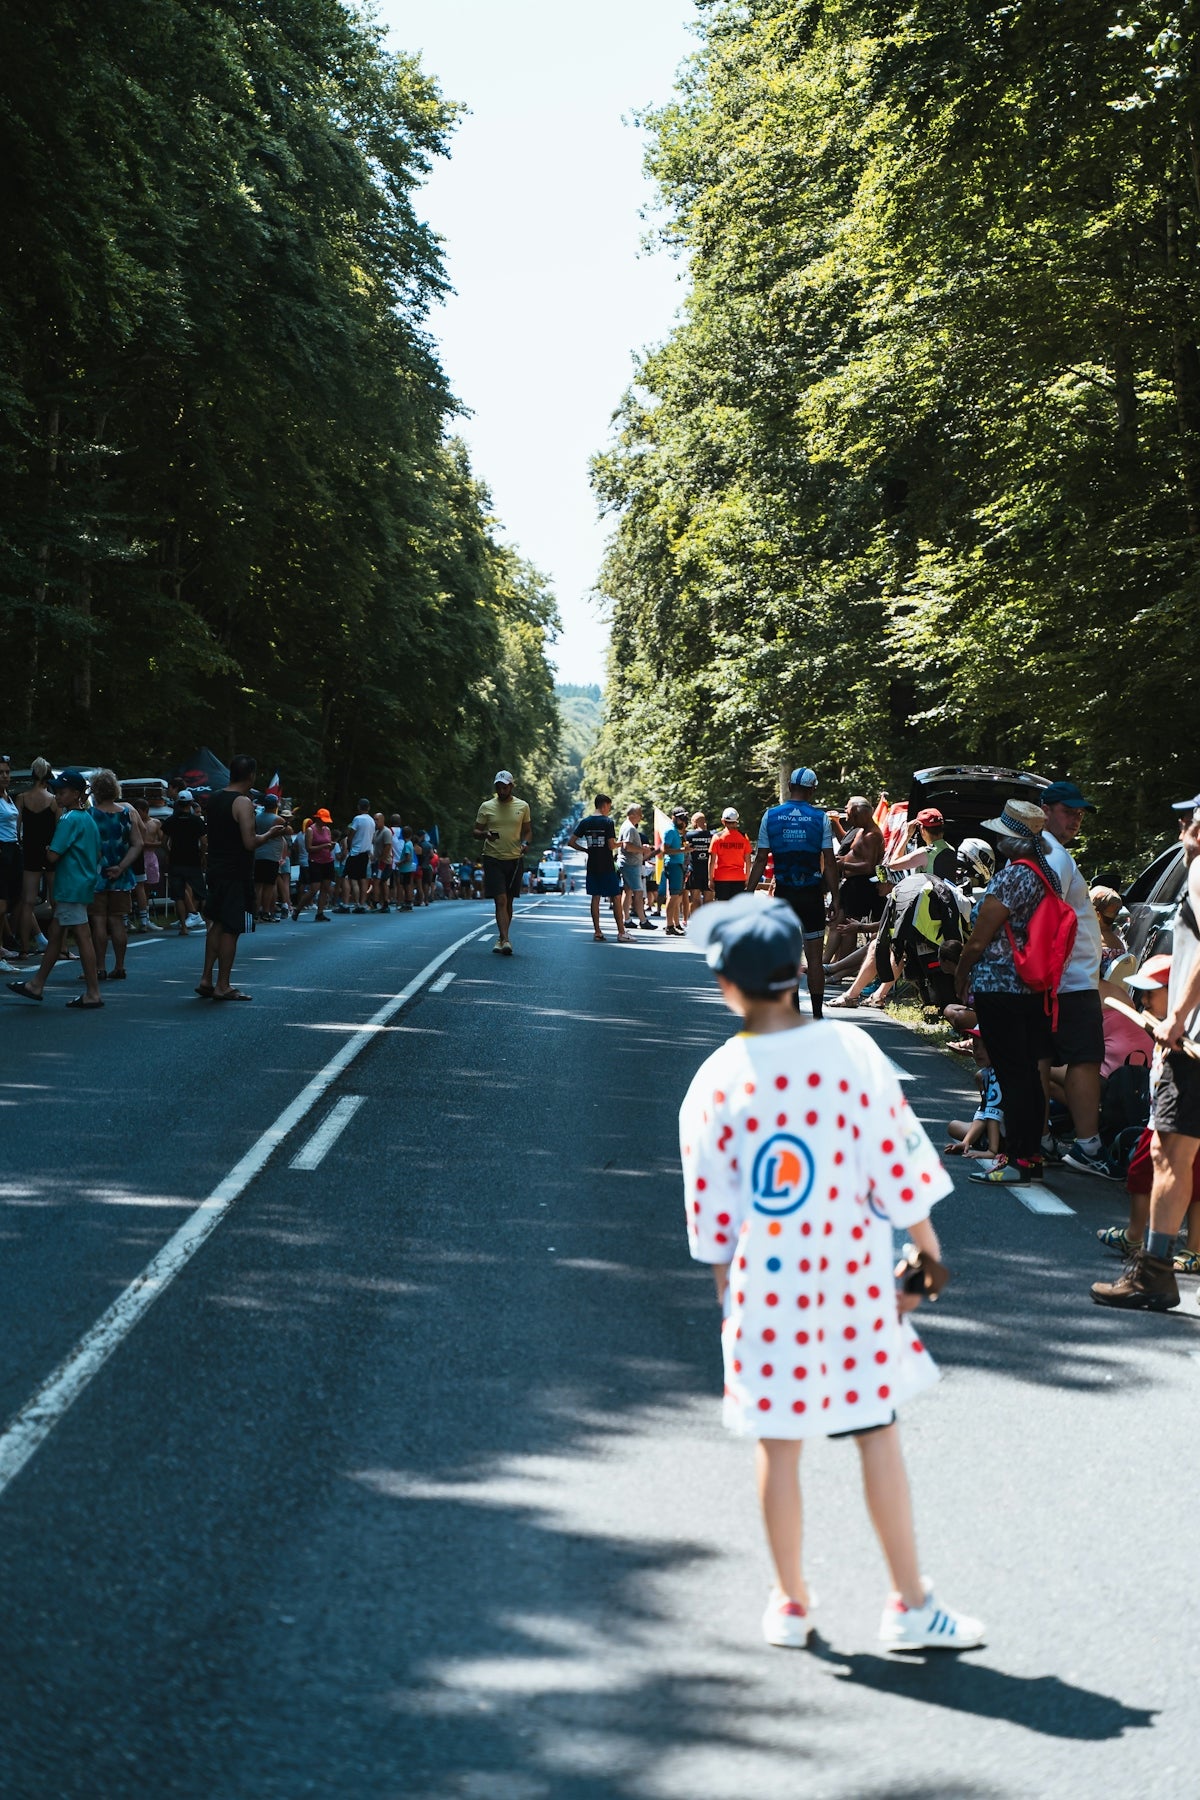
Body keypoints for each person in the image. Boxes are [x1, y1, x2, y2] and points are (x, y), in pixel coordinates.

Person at [679, 894, 983, 1652]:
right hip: (854, 1288)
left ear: (727, 986)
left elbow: (713, 1220)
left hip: (763, 1294)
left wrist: (728, 1298)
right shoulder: (851, 1053)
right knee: (876, 1433)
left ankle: (788, 1600)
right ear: (797, 974)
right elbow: (901, 1167)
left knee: (776, 1444)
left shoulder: (713, 1080)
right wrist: (929, 1257)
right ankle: (909, 1604)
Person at [1093, 796, 1200, 1311]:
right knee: (1168, 1151)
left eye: (1190, 819)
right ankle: (1155, 1266)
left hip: (1192, 1040)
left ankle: (1153, 1272)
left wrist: (1176, 1018)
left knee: (1170, 1151)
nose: (1182, 826)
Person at [954, 800, 1063, 1185]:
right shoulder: (1045, 873)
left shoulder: (1013, 876)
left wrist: (962, 974)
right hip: (1032, 985)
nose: (996, 836)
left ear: (1012, 839)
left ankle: (1015, 1159)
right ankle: (1030, 1156)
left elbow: (980, 937)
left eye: (1001, 831)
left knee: (1012, 1072)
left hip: (998, 984)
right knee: (1029, 1073)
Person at [1033, 780, 1108, 1176]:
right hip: (1070, 981)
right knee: (1084, 1060)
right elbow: (1050, 919)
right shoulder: (1056, 857)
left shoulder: (1041, 852)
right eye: (1068, 811)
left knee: (1042, 1056)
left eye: (1080, 813)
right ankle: (1087, 1147)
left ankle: (1040, 1137)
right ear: (1045, 808)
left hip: (1052, 981)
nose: (1076, 819)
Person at [746, 769, 841, 1021]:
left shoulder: (771, 815)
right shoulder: (820, 818)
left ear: (789, 786)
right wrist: (836, 899)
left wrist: (748, 891)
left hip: (784, 895)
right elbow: (830, 863)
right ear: (812, 790)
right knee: (814, 958)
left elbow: (760, 860)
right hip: (811, 895)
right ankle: (818, 1016)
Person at [7, 769, 104, 1008]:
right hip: (81, 882)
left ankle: (93, 992)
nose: (57, 795)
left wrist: (48, 848)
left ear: (76, 794)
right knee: (56, 934)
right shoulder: (88, 818)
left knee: (82, 936)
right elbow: (98, 852)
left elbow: (52, 856)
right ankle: (36, 984)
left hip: (70, 885)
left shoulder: (68, 819)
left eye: (61, 792)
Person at [196, 753, 287, 1001]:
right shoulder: (243, 802)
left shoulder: (214, 799)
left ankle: (206, 977)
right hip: (236, 871)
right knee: (232, 928)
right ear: (251, 775)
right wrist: (270, 834)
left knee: (215, 922)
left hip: (215, 869)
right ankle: (223, 984)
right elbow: (249, 842)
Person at [87, 769, 143, 982]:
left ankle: (99, 967)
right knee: (118, 922)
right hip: (121, 876)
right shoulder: (127, 813)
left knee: (99, 922)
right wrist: (121, 866)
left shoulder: (91, 815)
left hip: (97, 876)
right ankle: (120, 966)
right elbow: (138, 844)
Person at [473, 770, 531, 955]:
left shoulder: (522, 806)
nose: (501, 789)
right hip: (493, 857)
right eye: (498, 786)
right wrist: (484, 834)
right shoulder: (486, 806)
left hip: (514, 858)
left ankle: (501, 937)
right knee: (500, 899)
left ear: (511, 786)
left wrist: (526, 843)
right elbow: (476, 831)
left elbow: (528, 831)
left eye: (505, 786)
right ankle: (505, 939)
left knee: (509, 901)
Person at [825, 796, 885, 964]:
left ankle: (839, 966)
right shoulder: (860, 830)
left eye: (850, 815)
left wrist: (843, 865)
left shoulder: (872, 835)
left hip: (861, 886)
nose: (848, 818)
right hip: (850, 884)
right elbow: (847, 845)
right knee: (837, 921)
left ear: (861, 815)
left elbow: (869, 866)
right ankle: (827, 962)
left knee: (849, 925)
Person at [569, 794, 629, 942]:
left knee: (595, 897)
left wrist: (586, 850)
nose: (609, 809)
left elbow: (571, 842)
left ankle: (597, 931)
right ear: (604, 805)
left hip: (592, 865)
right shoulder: (608, 822)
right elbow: (611, 845)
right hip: (607, 865)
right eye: (609, 806)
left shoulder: (585, 822)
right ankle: (621, 932)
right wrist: (622, 843)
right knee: (615, 896)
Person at [15, 756, 56, 959]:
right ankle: (61, 947)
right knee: (56, 902)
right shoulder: (54, 801)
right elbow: (59, 829)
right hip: (50, 853)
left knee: (28, 901)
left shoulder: (22, 798)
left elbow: (16, 829)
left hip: (30, 852)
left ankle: (24, 948)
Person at [162, 791, 207, 935]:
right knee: (201, 893)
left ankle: (183, 927)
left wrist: (169, 852)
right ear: (190, 803)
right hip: (193, 861)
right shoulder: (197, 821)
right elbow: (204, 842)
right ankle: (209, 925)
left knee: (179, 896)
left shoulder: (171, 820)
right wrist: (201, 855)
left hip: (176, 861)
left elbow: (164, 841)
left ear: (178, 803)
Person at [614, 803, 654, 930]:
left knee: (628, 890)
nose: (641, 817)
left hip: (627, 863)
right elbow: (627, 846)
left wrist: (642, 848)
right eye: (639, 814)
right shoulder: (630, 828)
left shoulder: (626, 826)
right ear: (631, 815)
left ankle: (626, 919)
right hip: (631, 864)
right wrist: (642, 849)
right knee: (638, 891)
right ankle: (642, 920)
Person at [0, 754, 22, 972]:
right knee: (1, 903)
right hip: (2, 849)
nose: (5, 776)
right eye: (1, 772)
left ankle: (6, 944)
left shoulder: (7, 796)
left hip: (14, 848)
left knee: (14, 899)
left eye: (7, 772)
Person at [889, 809, 957, 879]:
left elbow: (893, 865)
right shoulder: (951, 849)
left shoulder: (925, 853)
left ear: (922, 829)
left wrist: (907, 835)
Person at [254, 794, 286, 921]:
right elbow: (288, 830)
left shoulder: (257, 817)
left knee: (257, 885)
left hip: (258, 853)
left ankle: (255, 912)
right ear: (275, 805)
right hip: (271, 854)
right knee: (269, 886)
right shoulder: (277, 819)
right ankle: (266, 912)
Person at [709, 807, 753, 901]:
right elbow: (748, 861)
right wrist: (747, 878)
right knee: (736, 909)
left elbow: (711, 862)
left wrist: (711, 879)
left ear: (723, 821)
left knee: (722, 908)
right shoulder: (743, 837)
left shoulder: (717, 837)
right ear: (736, 821)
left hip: (721, 878)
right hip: (739, 878)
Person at [302, 808, 336, 921]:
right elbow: (309, 848)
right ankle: (298, 908)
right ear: (318, 818)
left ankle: (320, 913)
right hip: (315, 862)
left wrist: (331, 846)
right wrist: (324, 846)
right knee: (314, 889)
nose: (325, 822)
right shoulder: (310, 830)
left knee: (325, 888)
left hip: (327, 860)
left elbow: (328, 847)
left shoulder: (327, 829)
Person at [660, 806, 688, 935]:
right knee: (673, 896)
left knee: (676, 896)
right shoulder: (670, 831)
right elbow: (665, 850)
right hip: (673, 864)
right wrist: (682, 851)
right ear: (674, 818)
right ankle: (669, 925)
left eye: (684, 818)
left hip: (678, 864)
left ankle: (674, 924)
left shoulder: (676, 831)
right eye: (680, 818)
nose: (682, 820)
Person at [346, 799, 374, 911]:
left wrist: (349, 846)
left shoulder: (357, 819)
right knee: (363, 879)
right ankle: (363, 902)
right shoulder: (372, 821)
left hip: (356, 851)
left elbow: (351, 835)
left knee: (353, 879)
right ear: (368, 808)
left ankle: (357, 902)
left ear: (359, 807)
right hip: (365, 853)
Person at [684, 812, 713, 917]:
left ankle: (696, 923)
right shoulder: (712, 835)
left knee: (695, 898)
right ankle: (708, 924)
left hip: (694, 870)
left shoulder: (689, 835)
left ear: (694, 822)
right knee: (709, 899)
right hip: (708, 870)